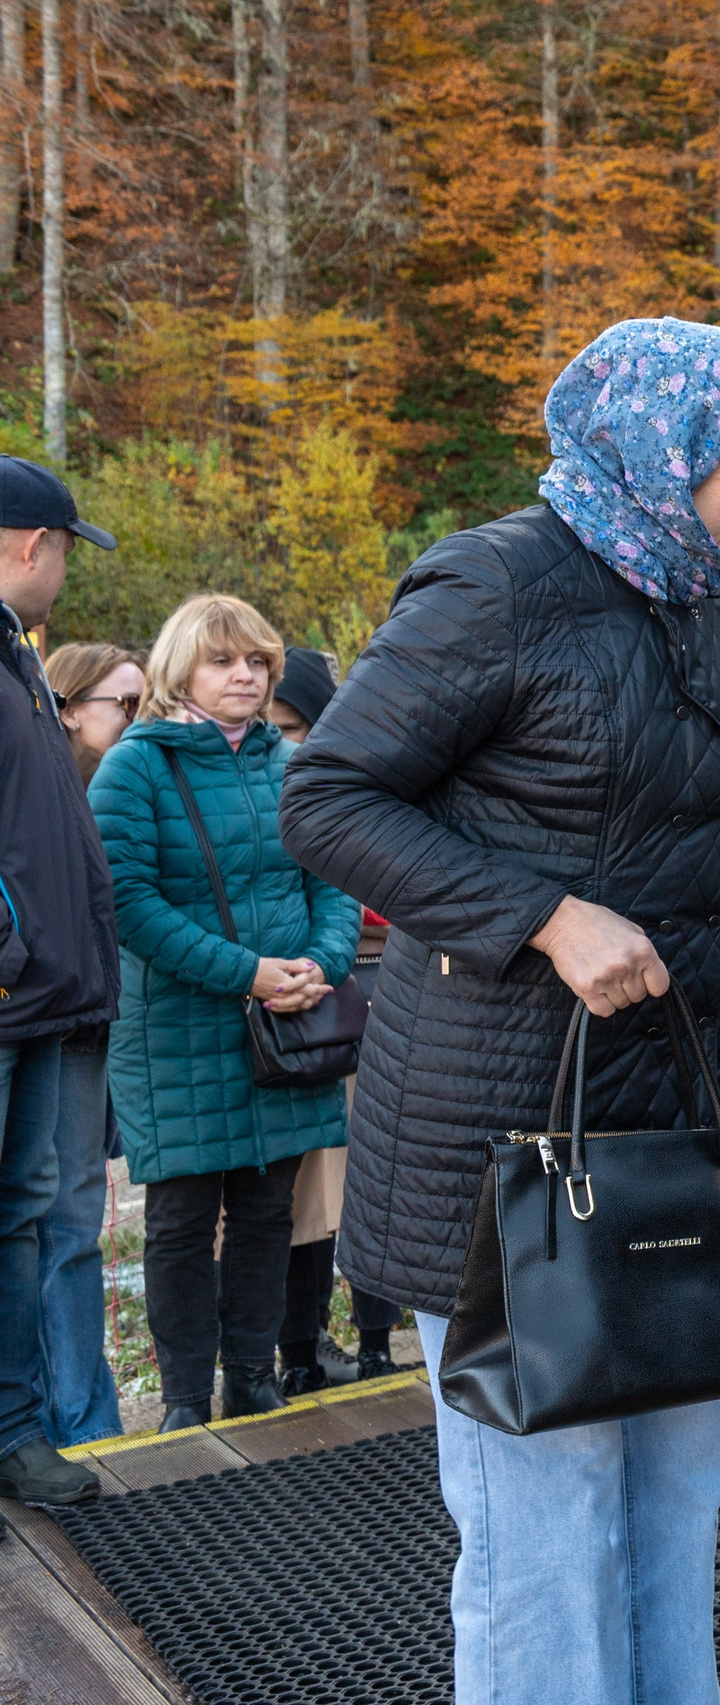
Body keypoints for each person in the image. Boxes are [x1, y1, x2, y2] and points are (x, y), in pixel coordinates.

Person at [279, 317, 720, 1705]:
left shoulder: (708, 603)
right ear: (663, 454)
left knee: (678, 1505)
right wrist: (542, 917)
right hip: (495, 1146)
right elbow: (328, 801)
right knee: (541, 1537)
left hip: (667, 1126)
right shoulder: (494, 583)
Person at [88, 596, 361, 1430]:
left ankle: (251, 1376)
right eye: (223, 661)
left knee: (267, 1210)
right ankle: (180, 1399)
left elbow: (336, 879)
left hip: (286, 1023)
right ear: (182, 671)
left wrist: (322, 963)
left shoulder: (295, 765)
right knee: (178, 1219)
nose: (244, 674)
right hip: (178, 1029)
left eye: (256, 661)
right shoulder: (134, 768)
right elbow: (127, 903)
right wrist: (248, 973)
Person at [0, 457, 121, 1507]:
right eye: (70, 550)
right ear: (32, 543)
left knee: (21, 1210)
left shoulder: (16, 659)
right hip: (9, 990)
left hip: (38, 999)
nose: (68, 573)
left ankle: (12, 1433)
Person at [266, 646, 407, 1395]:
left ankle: (379, 1337)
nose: (281, 740)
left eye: (294, 724)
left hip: (382, 976)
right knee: (311, 1184)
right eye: (272, 725)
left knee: (372, 1168)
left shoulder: (367, 768)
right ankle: (302, 1342)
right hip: (308, 984)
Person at [35, 642, 142, 1447]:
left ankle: (82, 1415)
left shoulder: (122, 788)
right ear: (70, 707)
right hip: (31, 1012)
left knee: (74, 1225)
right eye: (125, 706)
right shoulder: (36, 785)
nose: (138, 722)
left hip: (82, 1021)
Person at [48, 641, 145, 783]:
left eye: (148, 703)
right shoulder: (32, 791)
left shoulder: (150, 786)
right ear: (69, 713)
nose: (143, 717)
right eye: (130, 702)